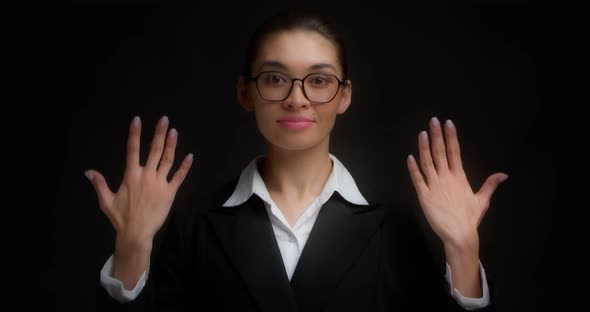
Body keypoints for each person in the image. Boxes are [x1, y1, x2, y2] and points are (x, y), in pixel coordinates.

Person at [85, 8, 508, 312]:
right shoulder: (196, 224)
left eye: (319, 80)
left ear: (344, 96)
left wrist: (463, 250)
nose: (296, 98)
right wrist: (133, 248)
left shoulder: (393, 229)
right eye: (275, 78)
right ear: (245, 92)